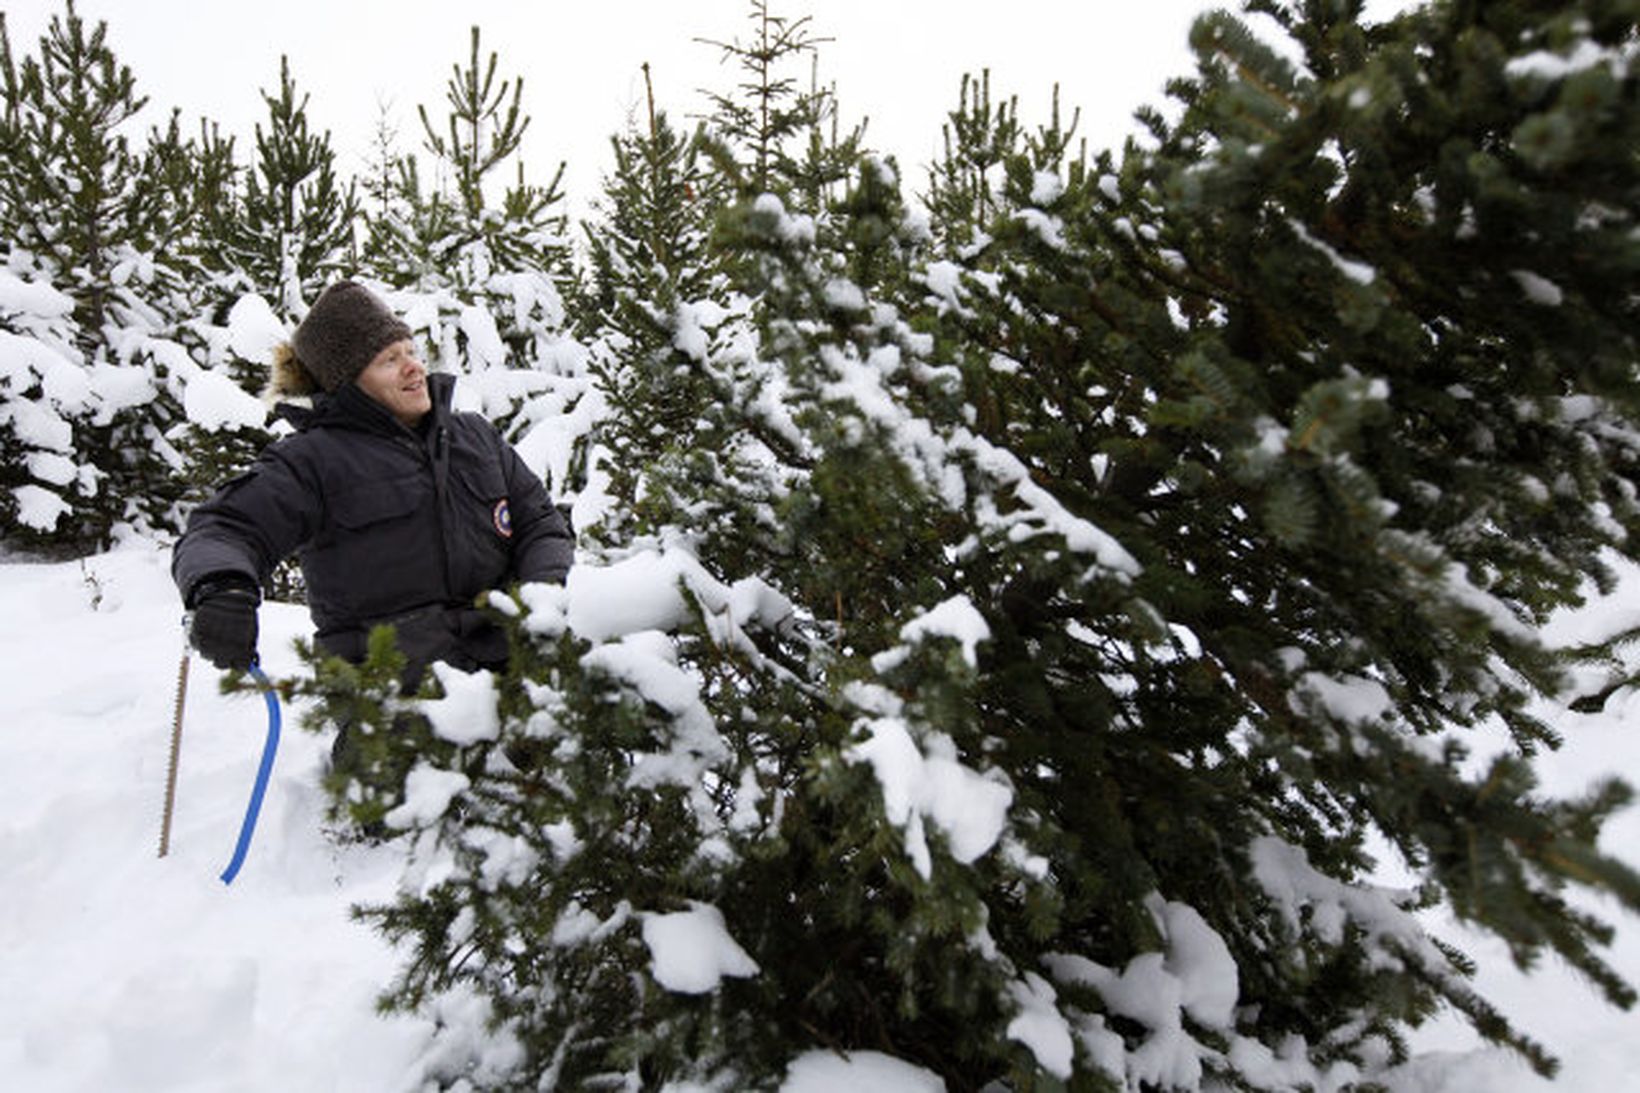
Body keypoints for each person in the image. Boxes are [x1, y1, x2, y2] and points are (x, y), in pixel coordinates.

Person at [173, 279, 574, 712]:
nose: (413, 368)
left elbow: (540, 523)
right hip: (391, 693)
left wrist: (543, 599)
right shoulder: (312, 460)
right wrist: (222, 588)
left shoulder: (474, 437)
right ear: (348, 383)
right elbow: (226, 526)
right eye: (389, 360)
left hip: (508, 665)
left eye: (411, 352)